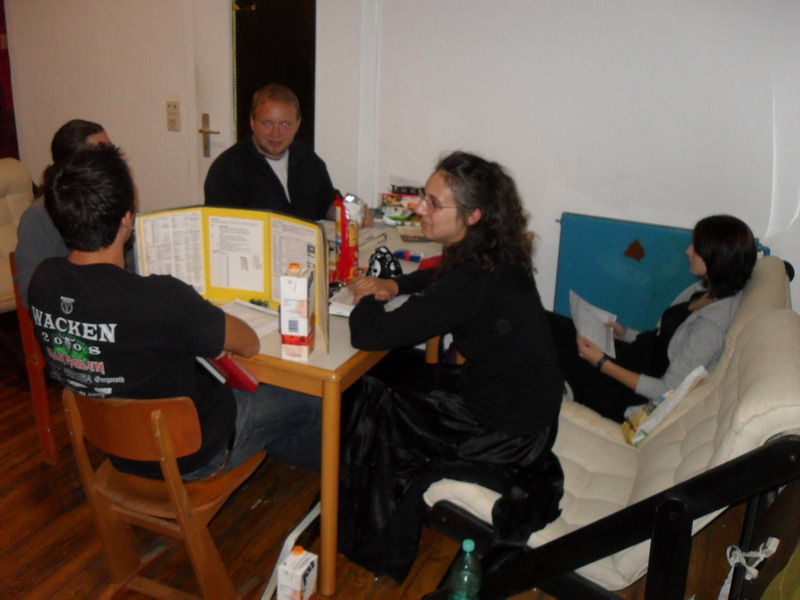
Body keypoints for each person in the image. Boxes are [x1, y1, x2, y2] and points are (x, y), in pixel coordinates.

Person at [27, 145, 321, 480]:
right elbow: (249, 343)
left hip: (116, 448)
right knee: (310, 400)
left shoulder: (43, 281)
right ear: (127, 218)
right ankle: (329, 488)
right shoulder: (158, 298)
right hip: (191, 454)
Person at [336, 151, 565, 582]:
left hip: (505, 432)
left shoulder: (471, 280)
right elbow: (440, 275)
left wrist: (366, 294)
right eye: (424, 197)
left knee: (372, 395)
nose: (420, 208)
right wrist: (394, 284)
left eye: (434, 203)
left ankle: (374, 538)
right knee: (399, 373)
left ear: (473, 216)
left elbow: (369, 336)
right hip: (528, 409)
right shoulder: (498, 251)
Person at [548, 214, 757, 423]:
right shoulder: (706, 289)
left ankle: (566, 391)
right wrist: (626, 334)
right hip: (635, 357)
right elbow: (662, 339)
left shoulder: (711, 327)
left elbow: (668, 389)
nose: (688, 251)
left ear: (717, 257)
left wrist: (602, 363)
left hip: (633, 391)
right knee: (550, 324)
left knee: (553, 343)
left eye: (697, 248)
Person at [205, 83, 342, 222]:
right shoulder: (226, 170)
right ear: (252, 122)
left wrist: (348, 213)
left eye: (284, 124)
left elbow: (327, 204)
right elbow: (222, 228)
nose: (276, 133)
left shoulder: (307, 159)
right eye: (267, 123)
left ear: (297, 124)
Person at [14, 119, 114, 307]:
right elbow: (32, 291)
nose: (115, 162)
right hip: (75, 315)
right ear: (74, 167)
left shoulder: (113, 203)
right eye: (103, 156)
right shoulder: (38, 216)